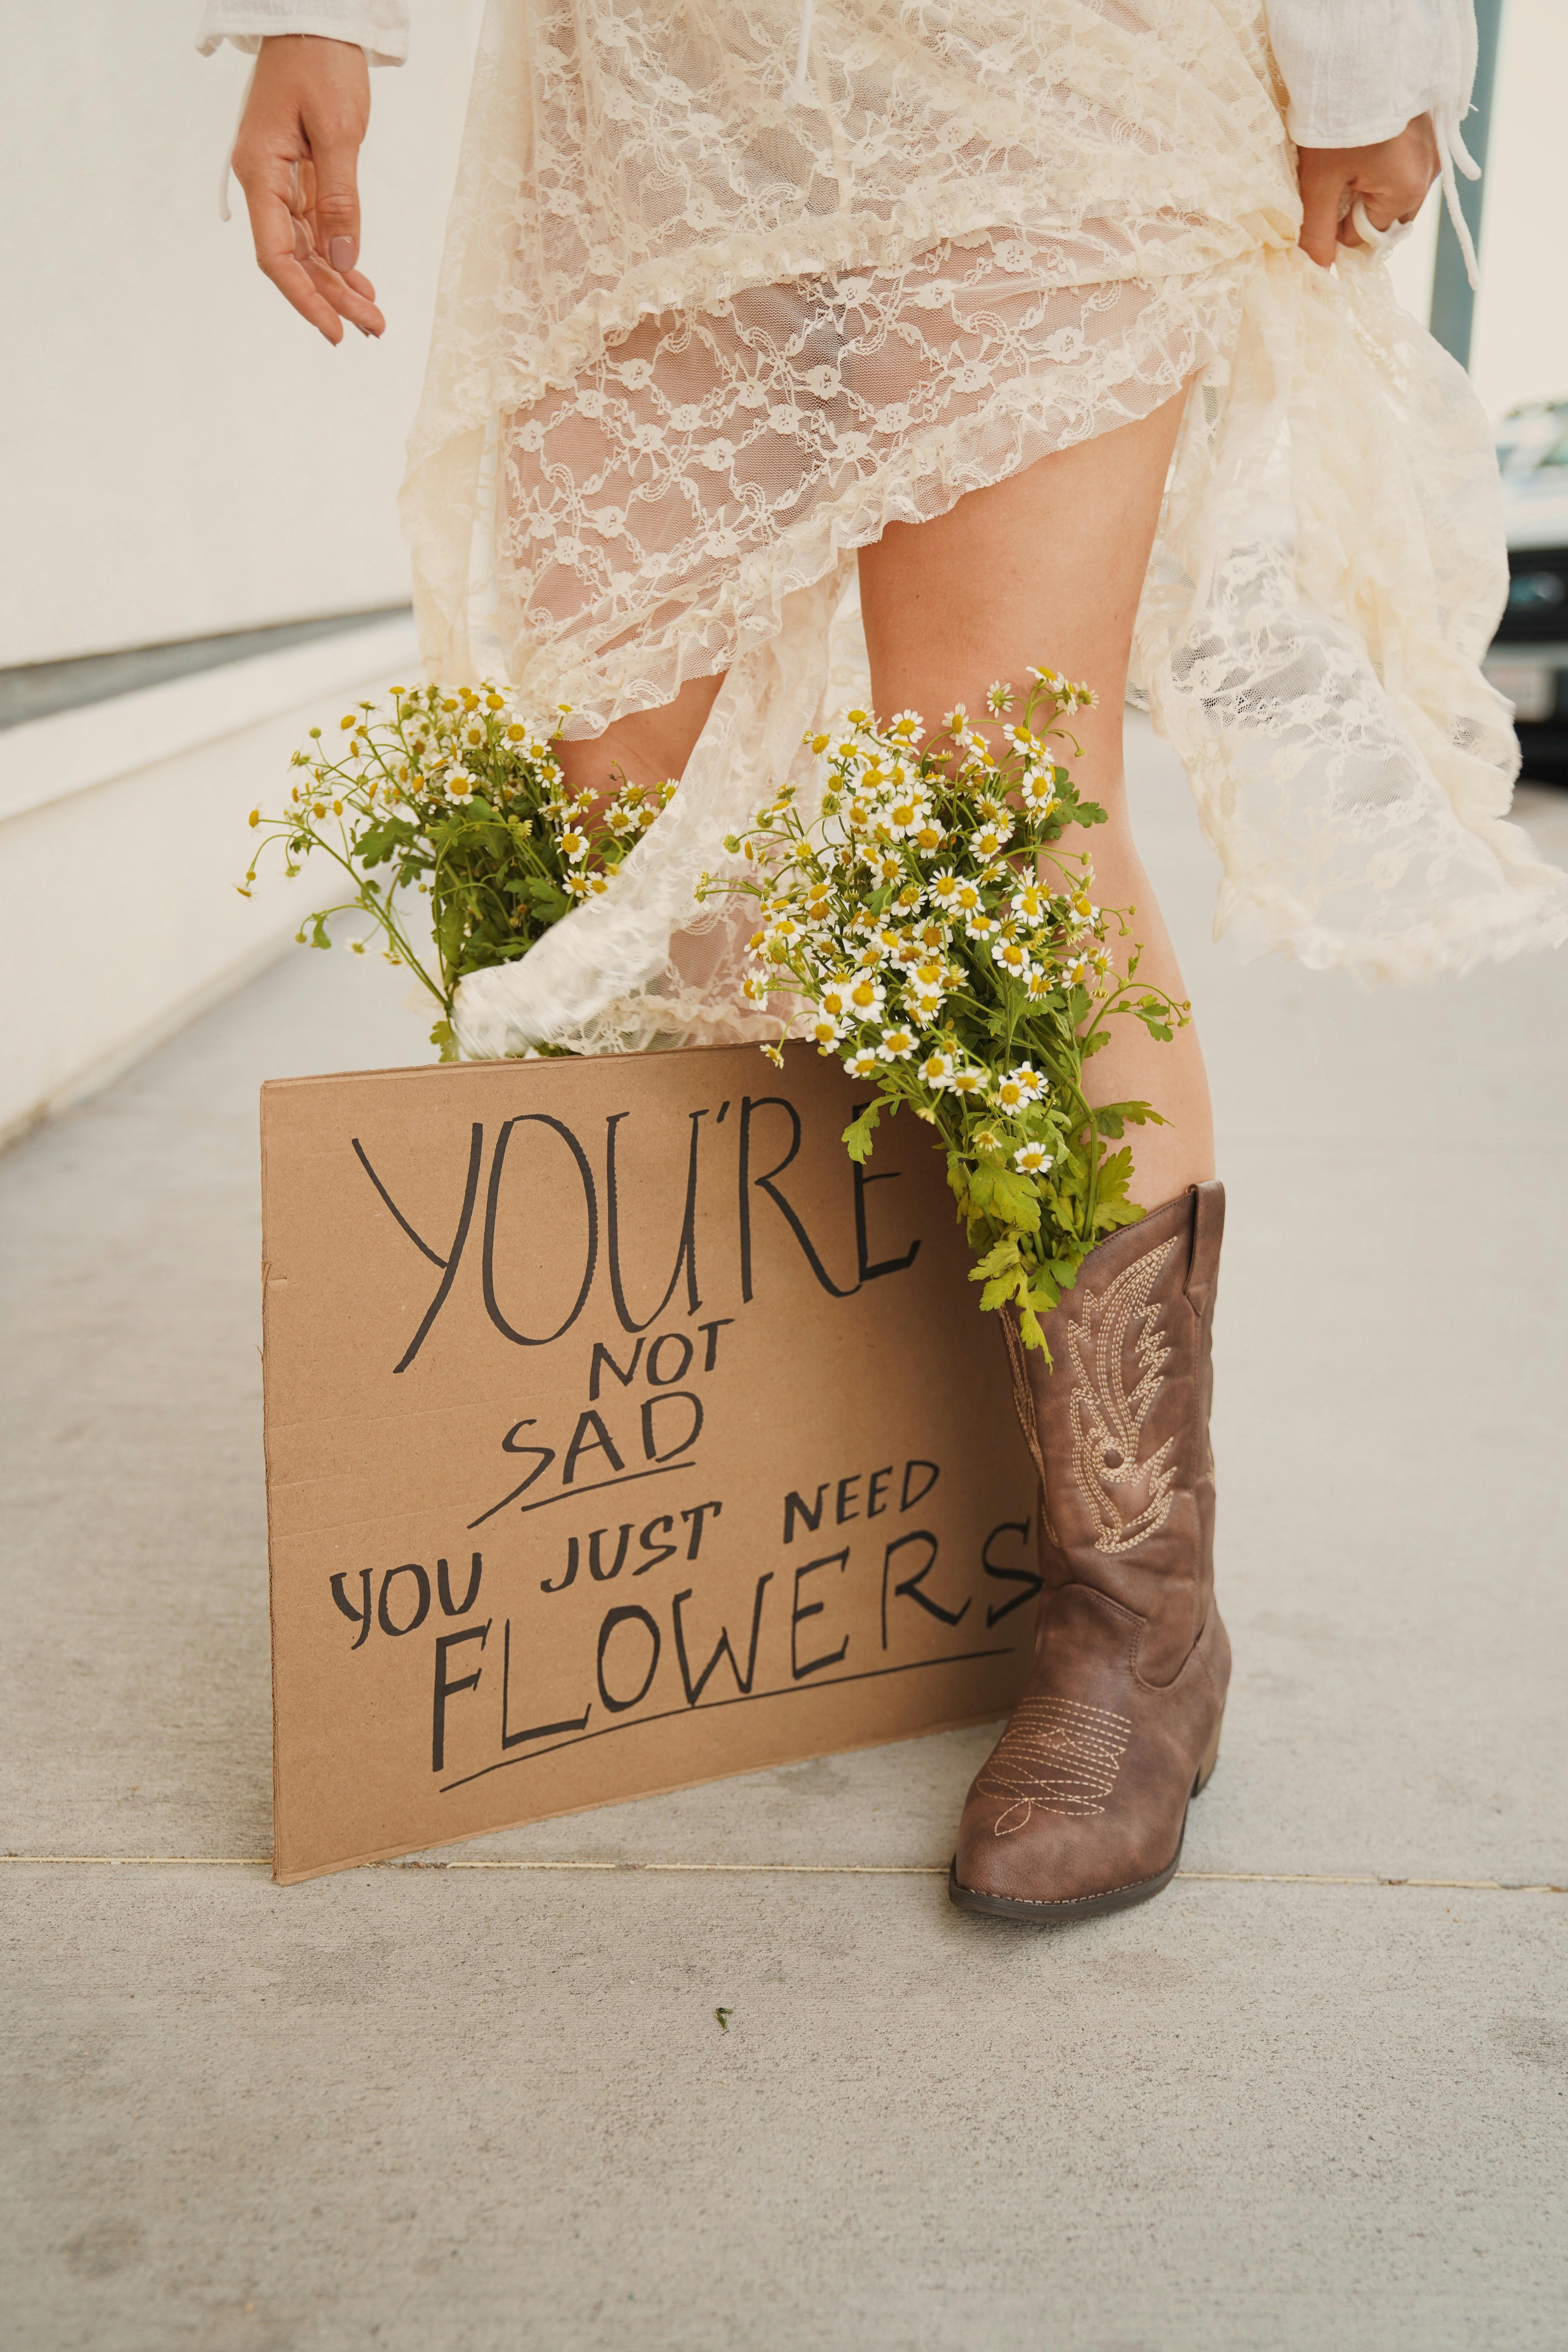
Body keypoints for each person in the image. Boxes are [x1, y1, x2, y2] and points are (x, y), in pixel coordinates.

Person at [202, 0, 1564, 1921]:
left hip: (1053, 58)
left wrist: (1362, 53)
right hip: (655, 69)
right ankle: (707, 1536)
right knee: (608, 789)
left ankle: (1133, 1621)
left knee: (988, 801)